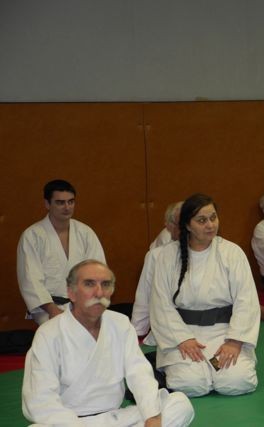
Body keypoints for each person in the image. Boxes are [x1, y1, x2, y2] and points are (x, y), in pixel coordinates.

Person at [22, 260, 194, 426]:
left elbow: (140, 373)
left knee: (180, 404)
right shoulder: (49, 333)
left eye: (105, 284)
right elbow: (40, 399)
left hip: (114, 418)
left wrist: (152, 416)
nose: (99, 293)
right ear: (71, 293)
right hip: (70, 421)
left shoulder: (120, 323)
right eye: (89, 284)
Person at [151, 193, 260, 397]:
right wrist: (182, 339)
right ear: (187, 225)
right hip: (184, 334)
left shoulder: (232, 253)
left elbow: (247, 301)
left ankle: (214, 368)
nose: (210, 225)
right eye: (201, 220)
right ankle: (199, 370)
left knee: (235, 382)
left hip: (224, 333)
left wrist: (235, 341)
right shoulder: (167, 256)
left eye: (213, 218)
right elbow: (161, 304)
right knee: (191, 384)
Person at [17, 179, 106, 325]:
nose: (67, 207)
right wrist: (52, 309)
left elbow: (98, 272)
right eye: (60, 202)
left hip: (84, 303)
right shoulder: (32, 236)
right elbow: (30, 280)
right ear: (47, 204)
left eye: (71, 202)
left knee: (106, 328)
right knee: (62, 331)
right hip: (48, 307)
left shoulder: (85, 233)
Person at [132, 202, 183, 343]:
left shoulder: (224, 252)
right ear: (168, 226)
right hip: (168, 331)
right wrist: (137, 335)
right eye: (180, 224)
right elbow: (144, 298)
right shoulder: (157, 255)